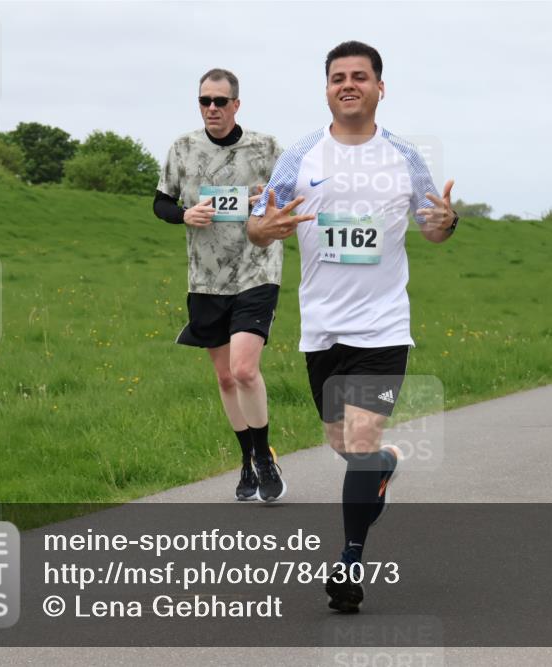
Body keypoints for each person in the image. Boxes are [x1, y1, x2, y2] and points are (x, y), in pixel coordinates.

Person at [247, 41, 458, 612]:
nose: (348, 84)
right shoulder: (300, 157)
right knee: (347, 446)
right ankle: (383, 468)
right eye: (338, 77)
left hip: (384, 328)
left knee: (361, 442)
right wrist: (265, 229)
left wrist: (447, 222)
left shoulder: (405, 157)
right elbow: (258, 224)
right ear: (327, 90)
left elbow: (433, 226)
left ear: (379, 88)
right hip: (321, 329)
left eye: (360, 77)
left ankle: (349, 563)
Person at [153, 68, 287, 502]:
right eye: (204, 101)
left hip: (256, 270)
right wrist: (183, 216)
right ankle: (247, 459)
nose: (212, 108)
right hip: (206, 278)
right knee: (226, 379)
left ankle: (265, 459)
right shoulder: (183, 148)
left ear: (236, 104)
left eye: (220, 101)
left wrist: (267, 199)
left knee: (245, 369)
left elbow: (290, 198)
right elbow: (161, 202)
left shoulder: (266, 147)